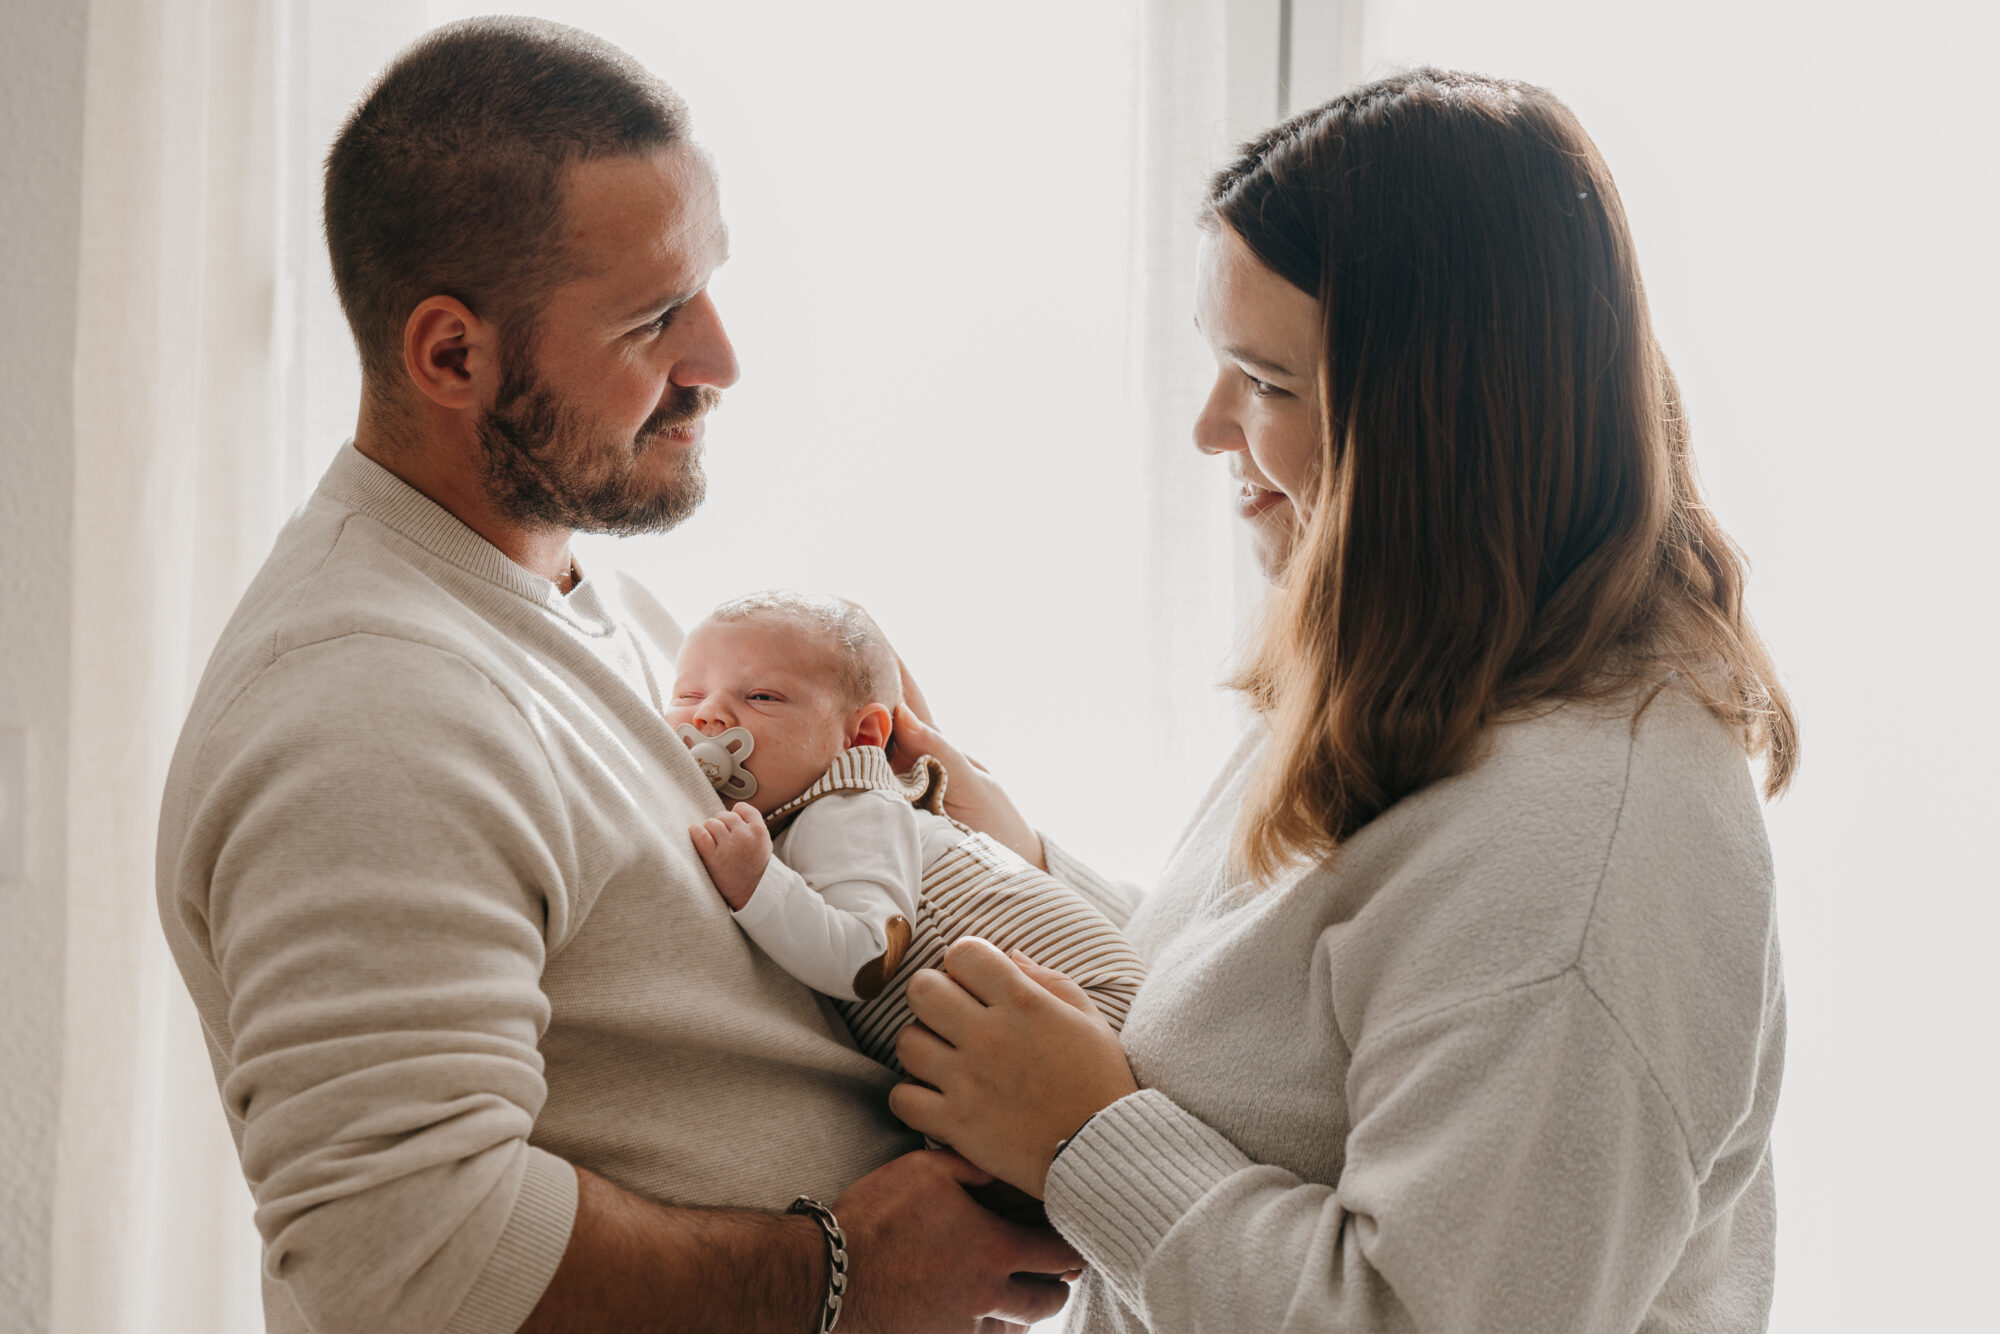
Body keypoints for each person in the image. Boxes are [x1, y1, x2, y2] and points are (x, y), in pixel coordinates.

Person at [154, 18, 1084, 1334]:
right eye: (655, 318)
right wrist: (843, 1275)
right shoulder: (369, 710)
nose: (720, 360)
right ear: (452, 357)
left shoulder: (603, 604)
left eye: (706, 286)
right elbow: (400, 1252)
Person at [884, 69, 1796, 1333]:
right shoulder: (1437, 674)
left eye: (1264, 383)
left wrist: (1086, 1140)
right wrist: (1029, 871)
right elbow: (1300, 1025)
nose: (1211, 428)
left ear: (1430, 427)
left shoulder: (1582, 850)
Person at [668, 591, 1145, 1065]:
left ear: (861, 737)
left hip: (1088, 1006)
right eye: (688, 695)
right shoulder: (814, 816)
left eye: (761, 697)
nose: (707, 713)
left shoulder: (851, 810)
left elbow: (866, 958)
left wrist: (755, 883)